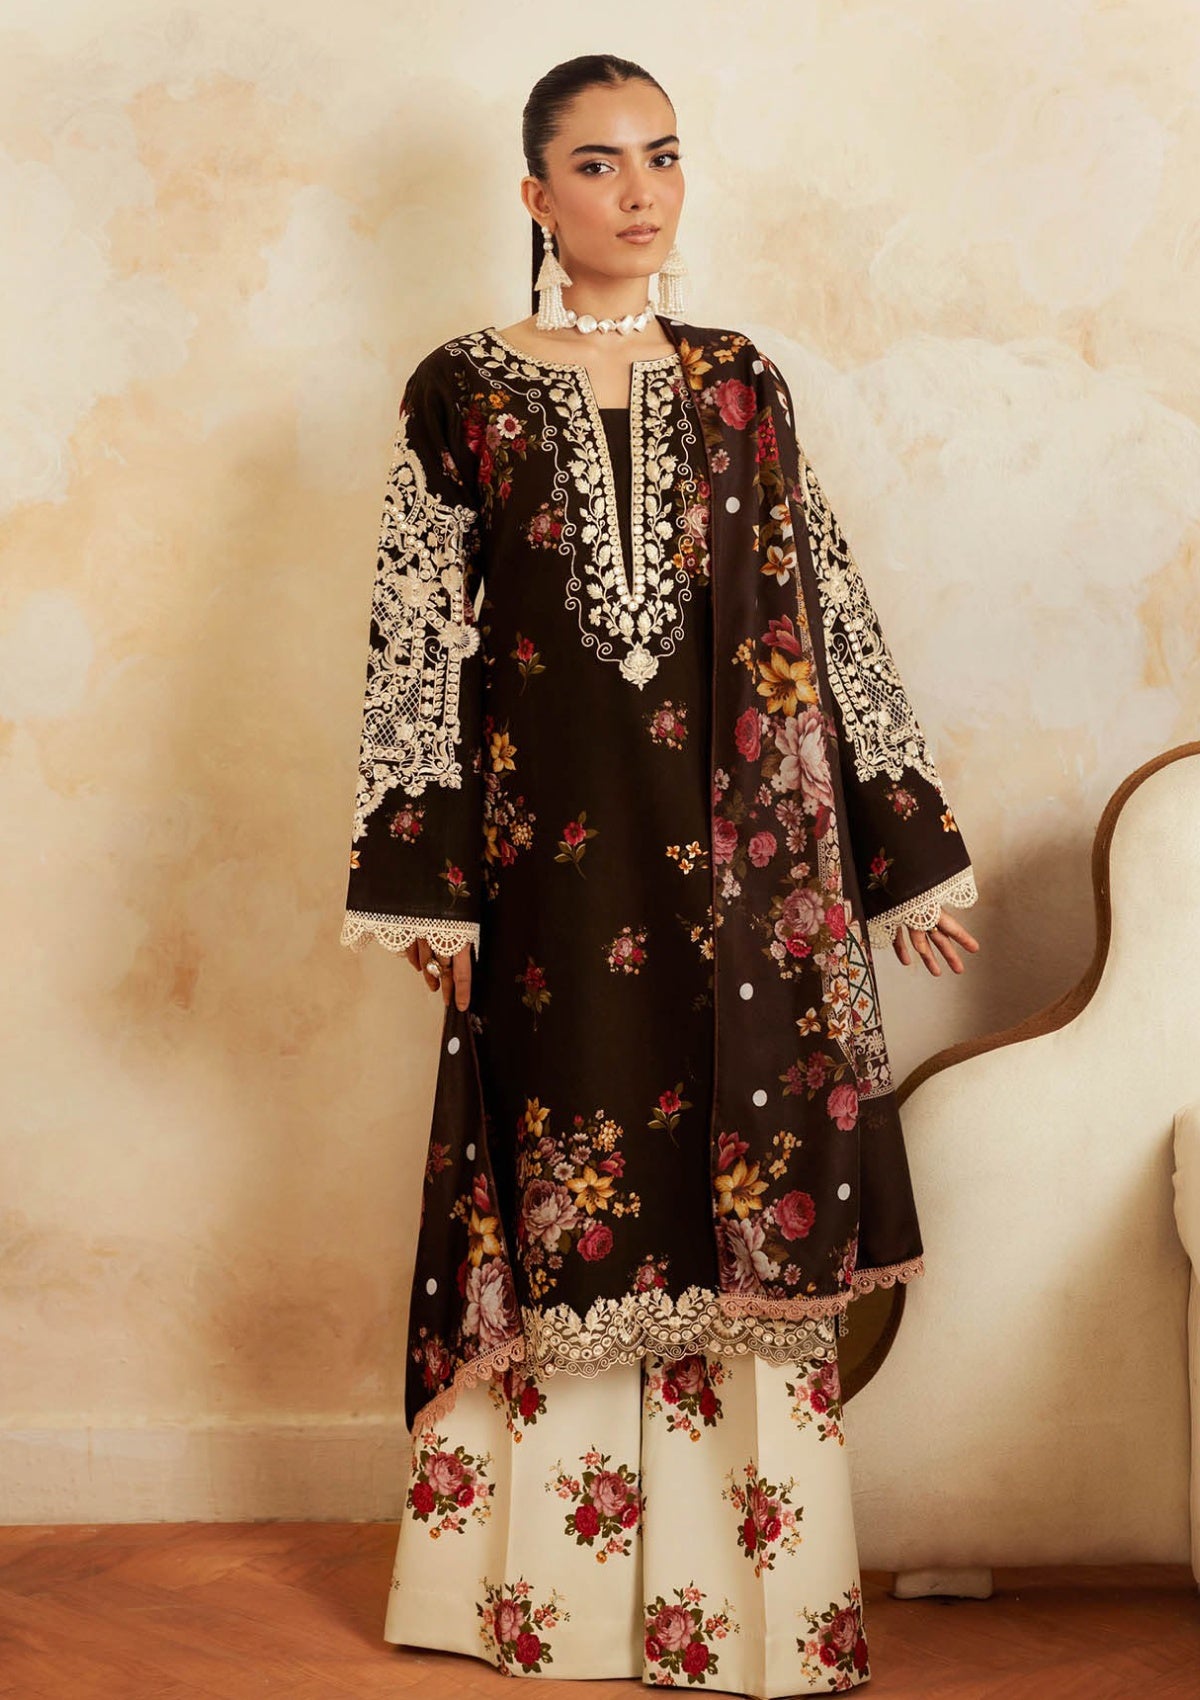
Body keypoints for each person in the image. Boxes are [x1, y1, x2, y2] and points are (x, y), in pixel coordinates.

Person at [340, 53, 981, 1697]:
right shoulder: (462, 393)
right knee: (563, 1182)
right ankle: (540, 1603)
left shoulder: (741, 382)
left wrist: (904, 848)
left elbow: (823, 603)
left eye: (665, 156)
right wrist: (424, 881)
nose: (641, 192)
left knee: (732, 1169)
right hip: (548, 875)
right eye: (599, 162)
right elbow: (416, 638)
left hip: (748, 884)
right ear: (536, 192)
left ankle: (744, 1613)